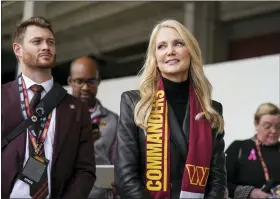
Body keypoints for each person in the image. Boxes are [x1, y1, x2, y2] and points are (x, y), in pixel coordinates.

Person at [115, 19, 226, 199]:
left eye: (178, 43)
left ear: (191, 51)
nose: (170, 51)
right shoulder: (134, 102)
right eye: (161, 46)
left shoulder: (211, 109)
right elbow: (126, 176)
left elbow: (217, 179)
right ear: (155, 58)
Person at [1, 16, 96, 199]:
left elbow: (85, 170)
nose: (46, 46)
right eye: (37, 41)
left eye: (50, 42)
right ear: (18, 49)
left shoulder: (76, 108)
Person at [68, 56, 119, 199]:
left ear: (98, 82)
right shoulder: (55, 116)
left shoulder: (113, 120)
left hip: (100, 195)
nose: (85, 88)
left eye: (91, 81)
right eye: (79, 81)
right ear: (70, 82)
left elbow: (118, 161)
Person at [225, 103, 280, 199]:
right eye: (267, 126)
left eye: (278, 126)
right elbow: (221, 183)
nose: (274, 131)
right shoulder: (239, 147)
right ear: (256, 124)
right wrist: (249, 192)